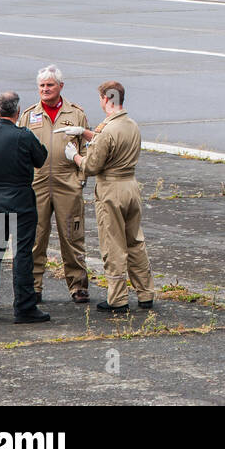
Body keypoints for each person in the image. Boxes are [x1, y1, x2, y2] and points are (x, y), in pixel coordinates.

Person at [69, 81, 152, 314]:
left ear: (106, 99)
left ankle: (117, 298)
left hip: (111, 190)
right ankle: (145, 292)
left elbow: (93, 165)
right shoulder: (131, 125)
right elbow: (110, 142)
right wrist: (87, 134)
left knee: (113, 244)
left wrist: (75, 157)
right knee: (135, 240)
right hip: (131, 186)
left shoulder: (107, 130)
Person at [0, 91, 49, 324]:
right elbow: (41, 159)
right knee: (22, 253)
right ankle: (24, 306)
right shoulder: (24, 135)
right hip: (20, 199)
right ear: (18, 112)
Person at [21, 65, 90, 304]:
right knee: (35, 238)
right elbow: (20, 150)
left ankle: (78, 286)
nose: (45, 89)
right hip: (37, 183)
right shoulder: (29, 115)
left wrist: (80, 179)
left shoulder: (76, 113)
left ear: (60, 86)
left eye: (50, 85)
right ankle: (34, 287)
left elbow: (85, 149)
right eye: (41, 85)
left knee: (72, 236)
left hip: (67, 183)